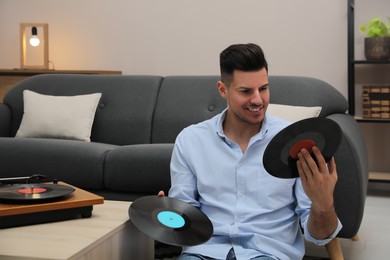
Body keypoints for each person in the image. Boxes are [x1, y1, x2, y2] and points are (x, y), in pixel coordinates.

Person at [160, 43, 342, 260]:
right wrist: (169, 214)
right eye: (246, 91)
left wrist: (324, 204)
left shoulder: (295, 143)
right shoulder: (191, 140)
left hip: (267, 254)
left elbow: (318, 235)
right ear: (222, 89)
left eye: (263, 88)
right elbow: (185, 217)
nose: (258, 100)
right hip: (203, 252)